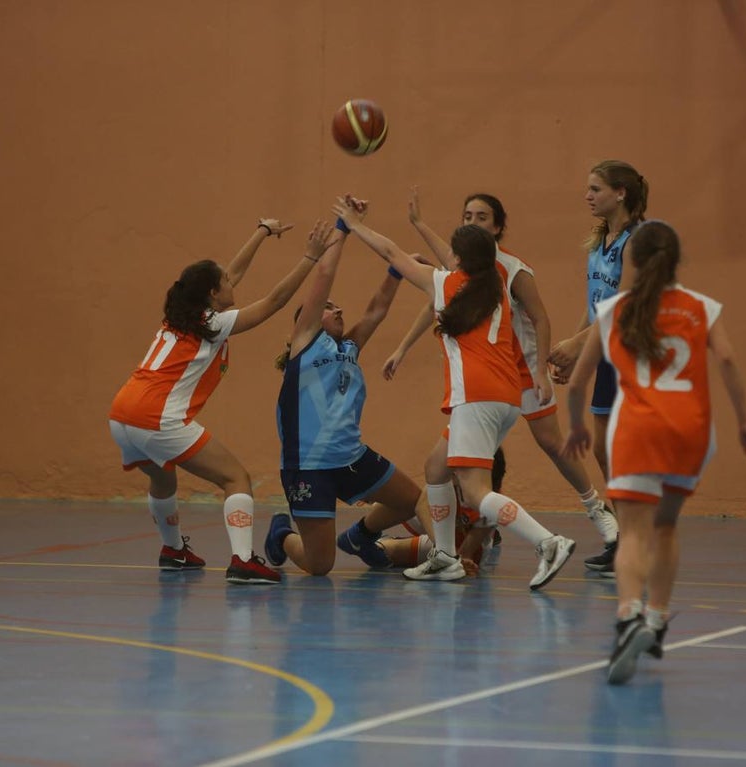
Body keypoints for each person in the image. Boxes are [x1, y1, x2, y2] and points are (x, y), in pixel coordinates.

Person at [562, 220, 746, 685]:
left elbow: (577, 381)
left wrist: (577, 426)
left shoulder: (614, 309)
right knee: (667, 526)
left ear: (632, 262)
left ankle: (628, 614)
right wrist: (745, 422)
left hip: (638, 429)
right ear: (678, 260)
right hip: (691, 432)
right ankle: (656, 620)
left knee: (633, 533)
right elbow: (730, 361)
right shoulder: (701, 308)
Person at [333, 196, 575, 591]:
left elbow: (392, 252)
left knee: (478, 492)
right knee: (435, 468)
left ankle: (548, 542)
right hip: (507, 397)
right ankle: (445, 557)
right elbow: (460, 256)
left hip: (477, 398)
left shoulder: (447, 284)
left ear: (458, 260)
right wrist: (420, 224)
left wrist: (355, 224)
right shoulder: (494, 284)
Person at [384, 188, 619, 569]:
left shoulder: (513, 268)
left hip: (521, 369)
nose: (472, 222)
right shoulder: (468, 265)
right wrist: (403, 347)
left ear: (498, 226)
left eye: (481, 217)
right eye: (467, 216)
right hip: (491, 374)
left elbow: (541, 318)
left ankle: (597, 510)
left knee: (550, 442)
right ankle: (452, 551)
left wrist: (542, 369)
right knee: (439, 466)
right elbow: (438, 301)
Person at [108, 218, 333, 583]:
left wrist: (261, 231)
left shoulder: (183, 318)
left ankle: (173, 550)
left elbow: (231, 272)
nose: (232, 282)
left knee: (163, 480)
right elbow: (274, 302)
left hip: (122, 415)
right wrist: (309, 257)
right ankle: (244, 561)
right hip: (156, 415)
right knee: (235, 478)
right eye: (225, 283)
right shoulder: (213, 323)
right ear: (213, 293)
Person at [264, 198, 422, 576]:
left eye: (337, 308)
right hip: (309, 466)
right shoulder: (305, 343)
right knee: (320, 566)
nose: (337, 311)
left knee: (413, 501)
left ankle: (360, 536)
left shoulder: (348, 349)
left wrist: (398, 270)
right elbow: (323, 279)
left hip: (351, 455)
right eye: (329, 308)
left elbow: (376, 310)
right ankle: (282, 533)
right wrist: (342, 228)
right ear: (307, 320)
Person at [549, 160, 649, 574]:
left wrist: (576, 346)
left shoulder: (638, 239)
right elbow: (594, 307)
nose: (588, 196)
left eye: (596, 188)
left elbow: (622, 306)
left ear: (621, 192)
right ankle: (628, 536)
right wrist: (577, 356)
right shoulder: (600, 241)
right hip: (603, 350)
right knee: (605, 448)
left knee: (623, 448)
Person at [379, 447, 506, 576]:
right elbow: (421, 505)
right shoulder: (448, 474)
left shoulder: (489, 504)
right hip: (442, 528)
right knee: (404, 498)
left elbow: (464, 556)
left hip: (462, 539)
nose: (454, 471)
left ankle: (444, 548)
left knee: (384, 551)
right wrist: (444, 550)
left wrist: (458, 557)